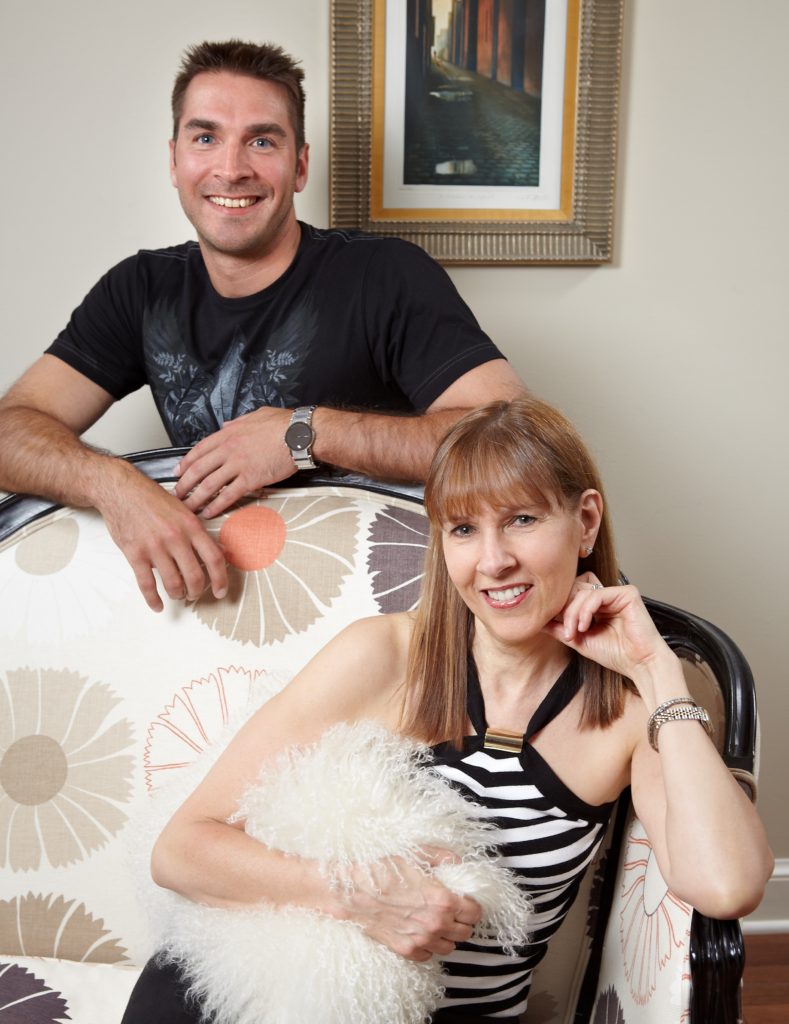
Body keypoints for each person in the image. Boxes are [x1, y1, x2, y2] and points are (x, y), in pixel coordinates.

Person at [121, 396, 772, 1023]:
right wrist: (363, 896)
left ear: (585, 522)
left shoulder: (629, 708)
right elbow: (179, 852)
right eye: (463, 529)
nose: (492, 561)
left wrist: (656, 671)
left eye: (521, 519)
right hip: (263, 998)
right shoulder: (381, 656)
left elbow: (726, 886)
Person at [0, 40, 523, 613]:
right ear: (174, 161)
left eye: (261, 140)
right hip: (223, 610)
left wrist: (303, 435)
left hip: (381, 610)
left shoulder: (383, 275)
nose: (231, 168)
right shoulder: (139, 288)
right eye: (206, 138)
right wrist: (115, 486)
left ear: (299, 166)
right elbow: (10, 434)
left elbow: (510, 438)